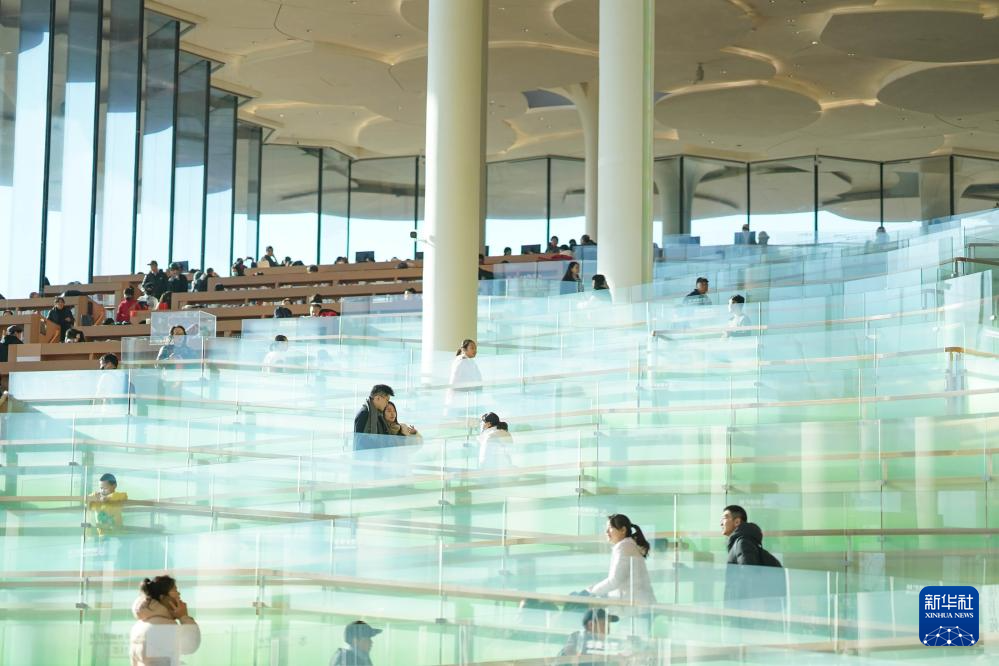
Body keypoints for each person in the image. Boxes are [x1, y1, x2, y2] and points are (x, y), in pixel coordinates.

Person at [720, 505, 784, 608]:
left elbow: (749, 575)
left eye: (724, 518)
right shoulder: (742, 543)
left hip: (745, 607)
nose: (721, 523)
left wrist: (747, 608)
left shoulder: (742, 542)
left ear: (737, 522)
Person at [585, 514, 656, 606]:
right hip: (638, 605)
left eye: (610, 528)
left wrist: (591, 591)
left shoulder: (624, 547)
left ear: (623, 530)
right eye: (606, 528)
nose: (606, 531)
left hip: (636, 606)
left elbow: (615, 580)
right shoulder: (628, 545)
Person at [129, 575, 201, 666]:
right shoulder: (163, 625)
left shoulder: (140, 625)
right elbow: (190, 645)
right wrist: (184, 617)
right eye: (175, 590)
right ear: (163, 597)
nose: (179, 594)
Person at [446, 339, 482, 416]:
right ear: (464, 349)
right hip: (460, 398)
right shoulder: (461, 361)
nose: (475, 350)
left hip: (467, 398)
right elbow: (455, 382)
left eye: (475, 348)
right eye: (472, 348)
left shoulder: (471, 362)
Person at [353, 384, 395, 451]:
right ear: (377, 398)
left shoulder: (378, 415)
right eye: (387, 400)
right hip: (367, 456)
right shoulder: (364, 414)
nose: (387, 404)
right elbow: (359, 442)